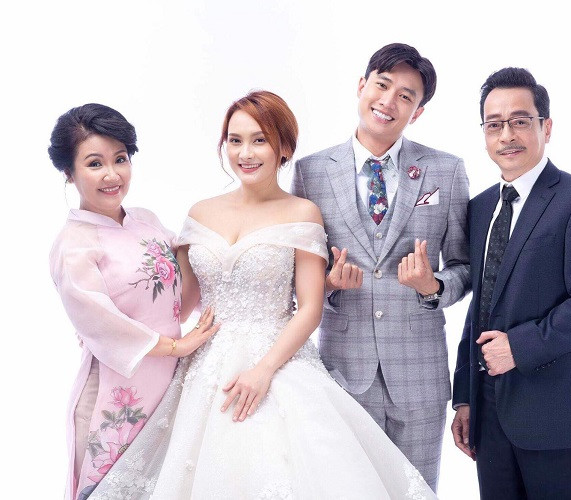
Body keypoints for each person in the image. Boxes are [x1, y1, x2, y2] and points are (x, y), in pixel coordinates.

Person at [86, 91, 437, 499]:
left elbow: (309, 309)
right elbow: (178, 303)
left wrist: (264, 370)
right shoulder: (200, 212)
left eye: (259, 140)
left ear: (284, 147)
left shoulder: (301, 212)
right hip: (205, 364)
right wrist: (112, 315)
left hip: (279, 359)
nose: (245, 153)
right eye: (235, 140)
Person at [291, 42, 470, 490]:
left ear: (418, 111)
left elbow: (465, 265)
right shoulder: (311, 172)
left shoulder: (445, 170)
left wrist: (432, 286)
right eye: (382, 85)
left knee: (417, 492)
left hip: (420, 375)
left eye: (406, 96)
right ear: (361, 85)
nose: (389, 101)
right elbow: (295, 276)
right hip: (343, 372)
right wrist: (329, 285)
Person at [450, 68, 571, 499]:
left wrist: (519, 347)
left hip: (557, 418)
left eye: (520, 121)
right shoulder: (480, 207)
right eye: (494, 125)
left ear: (546, 127)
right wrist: (465, 397)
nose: (507, 135)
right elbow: (480, 305)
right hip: (489, 417)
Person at [48, 103, 220, 500]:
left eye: (120, 159)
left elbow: (187, 282)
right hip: (114, 396)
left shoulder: (146, 220)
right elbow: (102, 324)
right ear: (68, 172)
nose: (112, 175)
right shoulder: (73, 246)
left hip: (170, 384)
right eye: (94, 163)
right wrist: (178, 346)